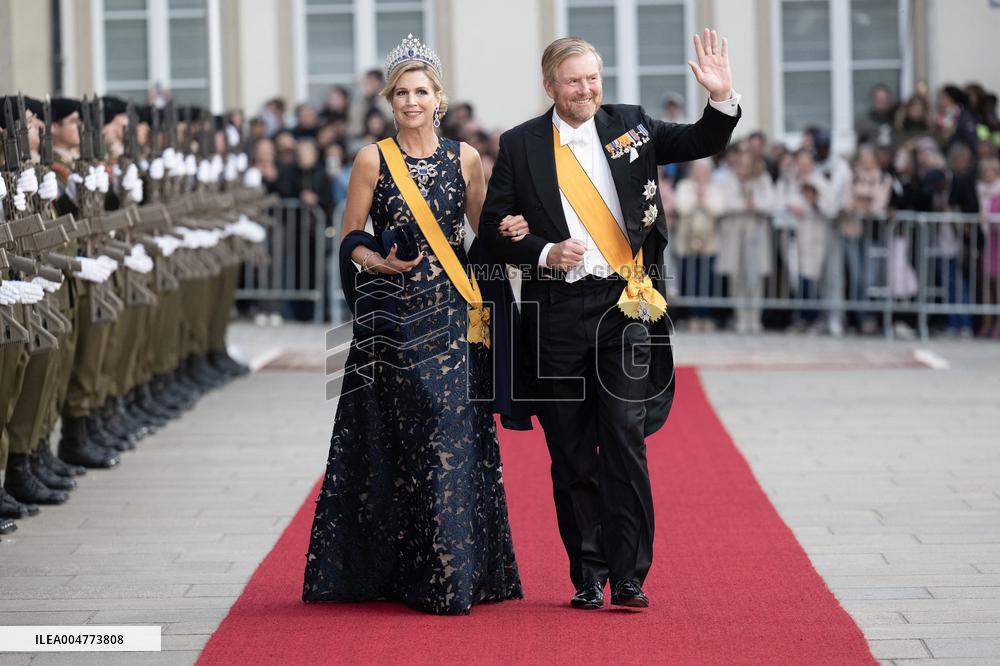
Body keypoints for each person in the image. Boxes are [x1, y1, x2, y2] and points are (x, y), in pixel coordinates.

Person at [479, 31, 740, 610]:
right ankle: (588, 574)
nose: (586, 89)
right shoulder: (520, 145)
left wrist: (721, 100)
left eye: (593, 77)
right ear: (550, 86)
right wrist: (544, 252)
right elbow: (494, 229)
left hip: (625, 307)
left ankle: (630, 574)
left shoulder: (632, 124)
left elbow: (701, 139)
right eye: (573, 80)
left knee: (623, 436)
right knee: (570, 453)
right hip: (557, 317)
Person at [302, 35, 528, 615]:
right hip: (397, 320)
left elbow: (484, 234)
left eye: (421, 91)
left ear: (439, 98)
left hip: (455, 318)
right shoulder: (371, 159)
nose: (411, 101)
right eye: (401, 92)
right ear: (388, 99)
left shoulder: (466, 159)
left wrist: (528, 232)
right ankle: (404, 572)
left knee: (452, 435)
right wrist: (377, 259)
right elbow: (351, 236)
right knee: (406, 439)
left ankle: (453, 577)